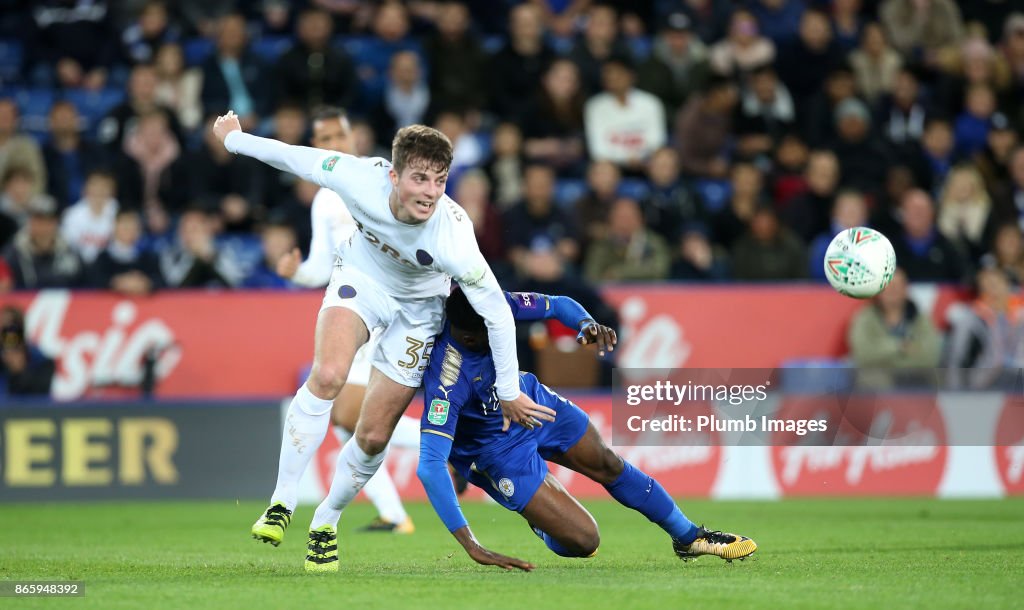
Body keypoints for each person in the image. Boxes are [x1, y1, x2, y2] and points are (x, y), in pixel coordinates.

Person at [212, 110, 551, 570]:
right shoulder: (357, 177)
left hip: (419, 314)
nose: (431, 192)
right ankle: (282, 501)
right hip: (361, 282)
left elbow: (498, 314)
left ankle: (325, 523)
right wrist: (235, 141)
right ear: (393, 175)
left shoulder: (454, 236)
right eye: (419, 179)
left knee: (371, 436)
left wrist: (509, 390)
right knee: (328, 375)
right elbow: (296, 158)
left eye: (440, 180)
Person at [415, 288, 757, 571]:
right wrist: (471, 545)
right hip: (494, 450)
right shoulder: (447, 380)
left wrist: (585, 323)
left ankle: (690, 537)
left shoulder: (495, 306)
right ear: (471, 337)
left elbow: (558, 304)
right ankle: (543, 520)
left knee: (607, 462)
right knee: (584, 541)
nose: (502, 331)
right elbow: (430, 466)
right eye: (493, 331)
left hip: (534, 403)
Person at [272, 105, 420, 535]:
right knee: (345, 417)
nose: (333, 146)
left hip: (390, 308)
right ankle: (393, 512)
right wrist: (296, 272)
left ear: (354, 139)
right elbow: (321, 266)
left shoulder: (379, 179)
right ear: (314, 147)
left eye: (339, 137)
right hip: (354, 311)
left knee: (348, 413)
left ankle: (451, 447)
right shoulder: (323, 198)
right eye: (323, 141)